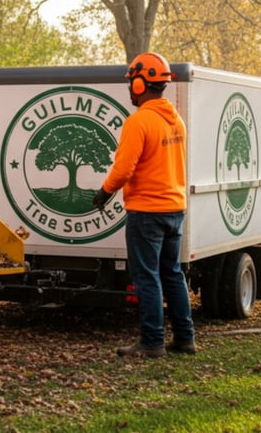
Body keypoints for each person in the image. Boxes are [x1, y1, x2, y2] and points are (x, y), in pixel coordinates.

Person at [92, 52, 195, 358]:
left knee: (147, 277)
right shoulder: (175, 120)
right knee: (172, 274)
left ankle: (152, 341)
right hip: (175, 208)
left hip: (147, 212)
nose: (129, 89)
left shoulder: (139, 122)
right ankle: (185, 338)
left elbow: (123, 169)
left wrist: (105, 191)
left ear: (140, 84)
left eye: (130, 83)